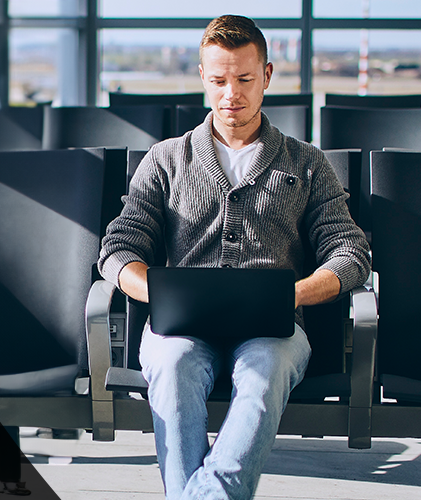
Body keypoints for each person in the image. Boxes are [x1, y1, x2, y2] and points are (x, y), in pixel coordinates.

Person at [96, 15, 372, 500]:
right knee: (174, 368)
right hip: (179, 329)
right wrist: (155, 293)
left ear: (266, 75)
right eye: (219, 80)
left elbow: (350, 252)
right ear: (203, 76)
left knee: (265, 375)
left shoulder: (306, 164)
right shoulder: (165, 159)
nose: (232, 95)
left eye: (244, 80)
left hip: (275, 330)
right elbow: (119, 248)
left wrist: (295, 294)